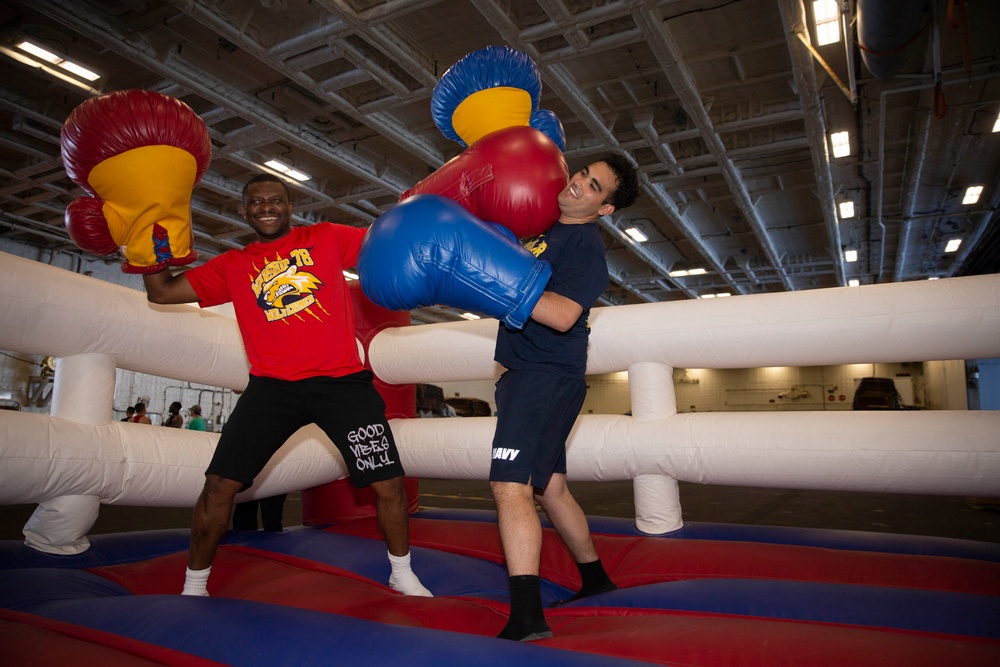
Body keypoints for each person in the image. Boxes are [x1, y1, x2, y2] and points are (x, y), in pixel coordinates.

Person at [142, 174, 431, 598]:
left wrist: (425, 209)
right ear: (243, 211)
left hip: (342, 384)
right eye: (256, 202)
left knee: (387, 482)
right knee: (219, 485)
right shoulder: (233, 265)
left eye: (275, 200)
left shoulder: (327, 237)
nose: (266, 207)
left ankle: (402, 572)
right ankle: (194, 584)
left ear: (290, 206)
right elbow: (163, 293)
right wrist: (149, 251)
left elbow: (385, 241)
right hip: (272, 388)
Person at [490, 154, 639, 641]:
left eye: (593, 186)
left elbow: (561, 315)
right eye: (581, 173)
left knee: (510, 486)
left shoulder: (584, 246)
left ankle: (528, 617)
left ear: (605, 208)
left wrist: (499, 274)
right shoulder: (545, 232)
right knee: (549, 486)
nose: (577, 183)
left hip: (545, 374)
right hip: (530, 372)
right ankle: (595, 579)